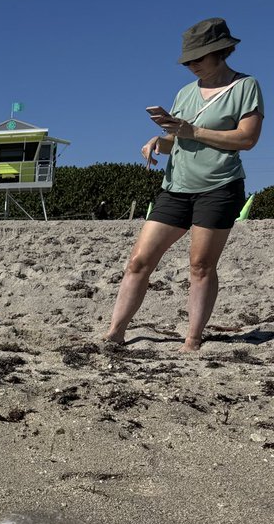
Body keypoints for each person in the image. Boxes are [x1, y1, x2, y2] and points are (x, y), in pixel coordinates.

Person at [105, 18, 263, 352]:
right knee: (138, 261)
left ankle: (192, 340)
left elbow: (247, 139)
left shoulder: (246, 86)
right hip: (175, 186)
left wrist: (194, 132)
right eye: (187, 60)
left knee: (201, 266)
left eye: (198, 58)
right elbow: (175, 139)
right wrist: (156, 143)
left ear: (220, 52)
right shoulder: (185, 93)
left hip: (219, 186)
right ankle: (115, 332)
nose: (191, 65)